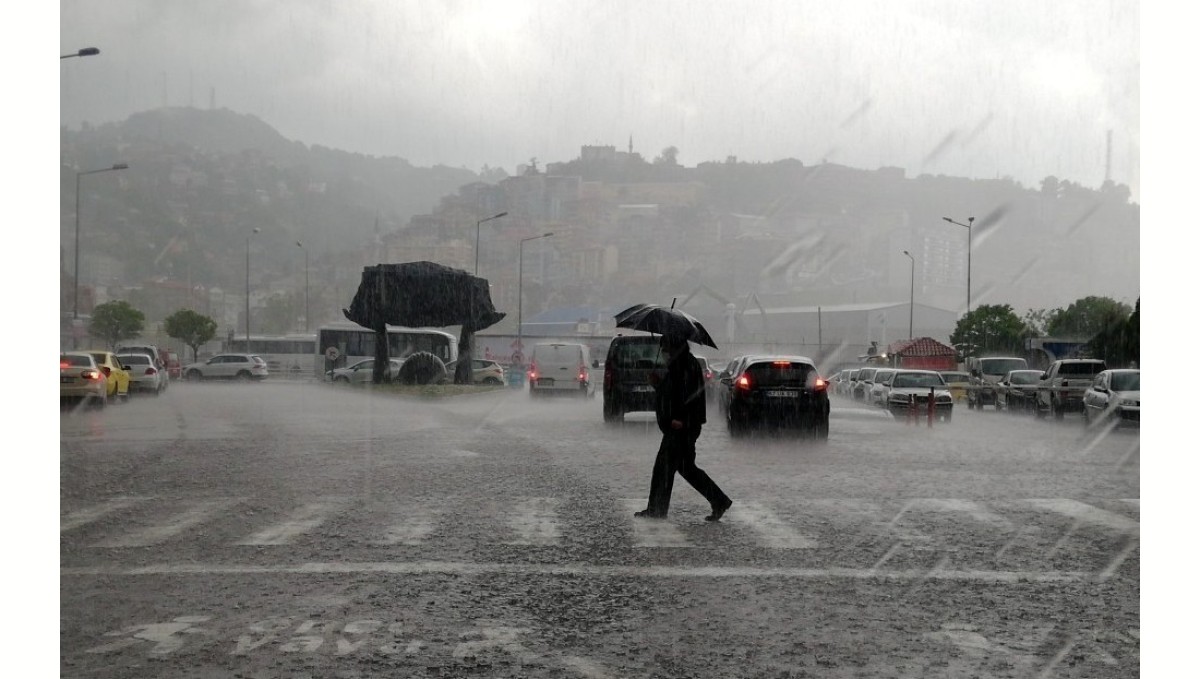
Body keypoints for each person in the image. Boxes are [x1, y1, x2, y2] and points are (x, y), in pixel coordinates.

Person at [635, 334, 733, 521]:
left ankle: (657, 509)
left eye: (665, 348)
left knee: (664, 468)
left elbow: (688, 396)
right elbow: (672, 393)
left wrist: (681, 419)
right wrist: (658, 384)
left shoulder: (685, 365)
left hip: (681, 427)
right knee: (686, 468)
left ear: (673, 347)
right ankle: (719, 500)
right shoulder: (680, 364)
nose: (664, 352)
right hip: (682, 426)